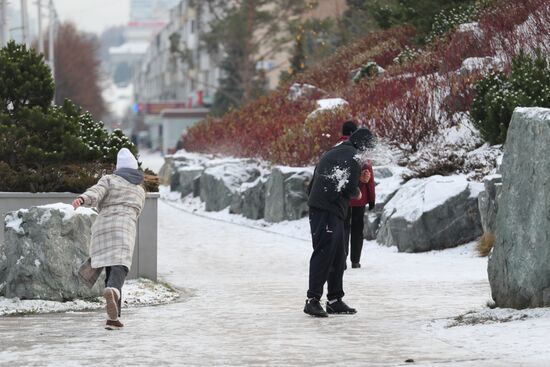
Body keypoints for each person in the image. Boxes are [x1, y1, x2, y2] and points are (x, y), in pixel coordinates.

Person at [304, 127, 376, 317]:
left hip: (325, 209)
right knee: (324, 253)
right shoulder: (352, 157)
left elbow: (329, 181)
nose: (368, 154)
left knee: (338, 254)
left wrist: (357, 179)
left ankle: (334, 300)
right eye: (368, 149)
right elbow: (350, 190)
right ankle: (312, 300)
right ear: (363, 145)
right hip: (326, 211)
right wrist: (359, 187)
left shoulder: (337, 151)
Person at [72, 148, 146, 330]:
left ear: (118, 168)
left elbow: (96, 192)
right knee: (120, 266)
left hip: (102, 227)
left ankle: (113, 319)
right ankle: (113, 292)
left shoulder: (110, 180)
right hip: (124, 228)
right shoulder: (140, 190)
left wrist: (82, 199)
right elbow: (137, 213)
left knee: (108, 265)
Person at [339, 121, 376, 269]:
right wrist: (372, 198)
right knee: (357, 230)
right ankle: (355, 260)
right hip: (360, 198)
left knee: (343, 228)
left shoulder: (338, 148)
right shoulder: (361, 149)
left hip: (344, 198)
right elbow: (369, 175)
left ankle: (342, 259)